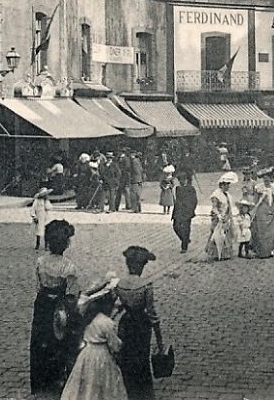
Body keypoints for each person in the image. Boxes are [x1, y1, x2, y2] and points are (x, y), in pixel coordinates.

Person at [31, 220, 84, 398]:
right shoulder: (68, 266)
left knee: (41, 338)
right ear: (66, 244)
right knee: (60, 340)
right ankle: (58, 377)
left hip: (43, 303)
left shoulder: (40, 262)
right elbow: (72, 292)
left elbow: (39, 286)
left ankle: (41, 377)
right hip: (59, 305)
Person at [60, 277, 128, 400]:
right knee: (105, 385)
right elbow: (114, 345)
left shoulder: (87, 319)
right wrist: (120, 343)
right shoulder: (107, 322)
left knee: (86, 383)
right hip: (102, 355)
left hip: (87, 353)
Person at [115, 246, 165, 400]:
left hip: (126, 322)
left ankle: (127, 386)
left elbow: (118, 306)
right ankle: (141, 390)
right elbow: (151, 312)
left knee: (126, 354)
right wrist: (159, 337)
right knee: (141, 356)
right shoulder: (145, 285)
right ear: (141, 266)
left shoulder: (120, 284)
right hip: (141, 324)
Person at [250, 167, 274, 258]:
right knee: (262, 232)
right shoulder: (259, 188)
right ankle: (262, 251)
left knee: (272, 232)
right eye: (264, 178)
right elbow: (255, 201)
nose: (266, 180)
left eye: (268, 178)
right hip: (262, 212)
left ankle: (271, 250)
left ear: (271, 178)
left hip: (272, 211)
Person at [205, 172, 237, 261]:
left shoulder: (227, 194)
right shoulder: (216, 194)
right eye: (226, 185)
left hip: (226, 217)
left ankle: (225, 254)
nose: (228, 186)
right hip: (218, 217)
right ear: (222, 185)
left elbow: (228, 207)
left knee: (226, 234)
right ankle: (214, 253)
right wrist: (219, 216)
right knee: (217, 234)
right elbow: (214, 208)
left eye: (228, 184)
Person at [171, 171, 197, 253]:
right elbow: (176, 200)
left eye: (183, 180)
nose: (181, 182)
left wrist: (191, 210)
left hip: (187, 211)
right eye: (180, 180)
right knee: (176, 226)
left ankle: (184, 247)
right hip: (178, 211)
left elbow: (194, 200)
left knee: (186, 229)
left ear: (186, 180)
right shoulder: (178, 189)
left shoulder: (191, 189)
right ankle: (185, 239)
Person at [32, 183, 56, 251]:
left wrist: (46, 202)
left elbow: (49, 207)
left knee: (47, 231)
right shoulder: (36, 201)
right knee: (38, 232)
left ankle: (46, 245)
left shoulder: (46, 201)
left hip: (46, 218)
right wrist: (34, 216)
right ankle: (38, 244)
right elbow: (33, 209)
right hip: (39, 217)